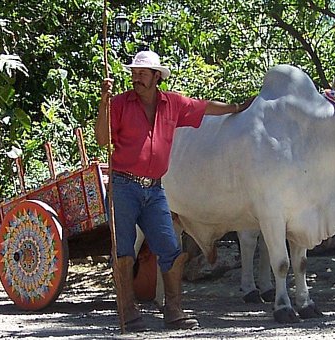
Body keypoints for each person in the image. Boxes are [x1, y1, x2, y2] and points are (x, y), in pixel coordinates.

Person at [95, 50, 253, 331]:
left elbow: (204, 108)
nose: (136, 78)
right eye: (134, 73)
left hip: (155, 189)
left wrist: (236, 108)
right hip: (123, 185)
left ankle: (174, 310)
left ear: (157, 77)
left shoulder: (173, 104)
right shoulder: (118, 103)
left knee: (170, 249)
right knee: (123, 251)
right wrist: (103, 104)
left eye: (142, 73)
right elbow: (103, 139)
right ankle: (128, 312)